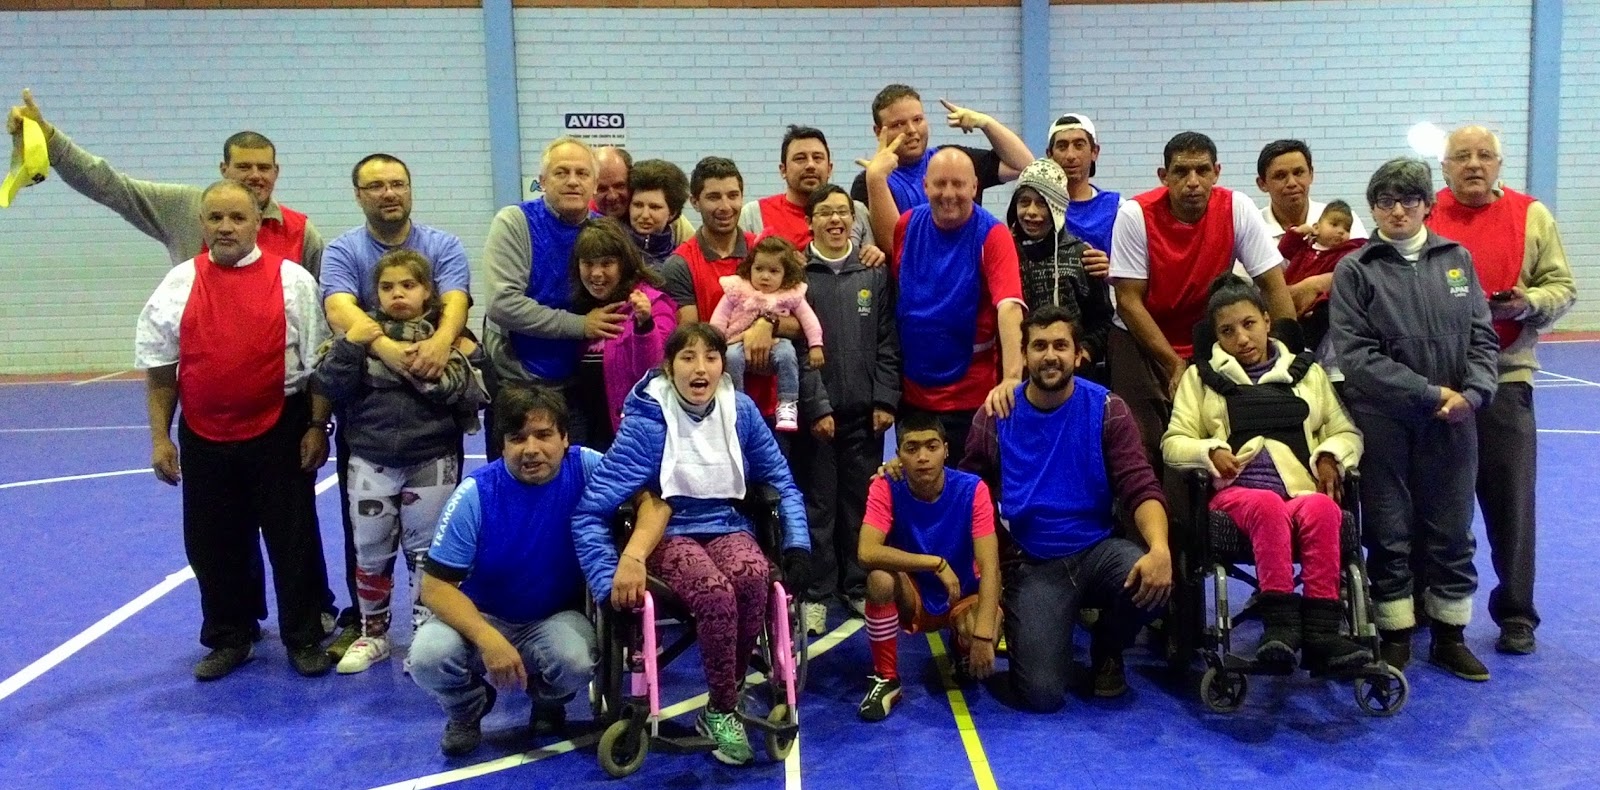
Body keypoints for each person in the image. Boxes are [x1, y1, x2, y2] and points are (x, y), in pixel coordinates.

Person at [571, 323, 811, 766]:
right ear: (668, 367)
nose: (700, 368)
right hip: (669, 530)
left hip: (727, 522)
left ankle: (722, 703)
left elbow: (782, 481)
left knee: (753, 576)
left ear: (723, 366)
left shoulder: (740, 411)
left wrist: (798, 544)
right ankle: (723, 710)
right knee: (714, 591)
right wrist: (607, 584)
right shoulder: (649, 421)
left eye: (711, 358)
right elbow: (589, 512)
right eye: (688, 357)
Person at [135, 180, 334, 681]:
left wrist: (316, 425)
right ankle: (231, 636)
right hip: (203, 433)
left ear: (256, 223)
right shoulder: (179, 283)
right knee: (211, 542)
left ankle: (303, 636)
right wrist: (160, 437)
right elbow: (160, 369)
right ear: (202, 224)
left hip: (281, 428)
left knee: (292, 539)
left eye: (237, 218)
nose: (226, 227)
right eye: (216, 218)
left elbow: (319, 366)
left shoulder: (292, 281)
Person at [1330, 157, 1499, 681]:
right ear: (1373, 208)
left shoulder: (1457, 259)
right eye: (1385, 201)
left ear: (1427, 205)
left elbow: (1482, 336)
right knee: (1389, 528)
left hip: (1454, 418)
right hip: (1384, 420)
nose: (1397, 210)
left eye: (1408, 200)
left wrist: (1474, 393)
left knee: (1452, 529)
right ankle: (1395, 635)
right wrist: (1427, 394)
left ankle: (1450, 636)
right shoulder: (1355, 270)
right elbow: (1357, 357)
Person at [960, 306, 1172, 710]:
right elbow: (966, 492)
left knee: (1154, 580)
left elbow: (1140, 485)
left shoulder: (1107, 409)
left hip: (1098, 552)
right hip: (1032, 562)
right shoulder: (997, 413)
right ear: (1024, 356)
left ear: (1078, 354)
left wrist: (1159, 548)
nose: (1050, 356)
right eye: (1039, 346)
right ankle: (1041, 625)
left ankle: (1108, 645)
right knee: (1041, 695)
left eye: (1060, 345)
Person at [1162, 274, 1370, 672]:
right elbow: (1173, 443)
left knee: (1324, 509)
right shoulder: (1200, 378)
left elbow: (1346, 432)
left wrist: (1331, 456)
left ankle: (1323, 634)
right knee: (1266, 506)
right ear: (1216, 337)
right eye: (1227, 331)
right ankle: (1280, 627)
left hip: (1300, 491)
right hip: (1236, 496)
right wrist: (1209, 450)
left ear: (1267, 321)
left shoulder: (1307, 373)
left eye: (1249, 324)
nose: (1241, 338)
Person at [321, 153, 476, 657]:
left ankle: (427, 637)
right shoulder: (344, 250)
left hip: (432, 450)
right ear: (358, 194)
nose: (388, 192)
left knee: (429, 551)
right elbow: (338, 310)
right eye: (376, 185)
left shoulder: (443, 246)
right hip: (369, 449)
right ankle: (372, 633)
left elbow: (457, 303)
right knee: (369, 548)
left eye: (397, 183)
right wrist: (382, 348)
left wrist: (442, 346)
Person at [1429, 125, 1577, 656]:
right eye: (1462, 156)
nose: (1474, 164)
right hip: (1436, 384)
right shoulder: (1422, 213)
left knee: (1511, 505)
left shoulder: (1532, 215)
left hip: (1506, 380)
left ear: (1498, 163)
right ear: (1445, 167)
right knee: (1431, 502)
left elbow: (1563, 287)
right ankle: (1427, 603)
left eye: (1485, 155)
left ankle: (1516, 613)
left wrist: (1527, 302)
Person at [411, 385, 599, 757]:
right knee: (427, 657)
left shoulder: (587, 466)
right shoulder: (475, 494)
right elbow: (434, 588)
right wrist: (488, 638)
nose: (531, 449)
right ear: (502, 446)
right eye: (517, 438)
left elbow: (646, 496)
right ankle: (468, 708)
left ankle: (547, 701)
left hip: (555, 617)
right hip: (482, 617)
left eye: (544, 435)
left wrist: (634, 555)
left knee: (575, 662)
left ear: (565, 438)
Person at [1108, 131, 1297, 467]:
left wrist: (1290, 355)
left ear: (1216, 172)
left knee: (1215, 427)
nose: (1192, 182)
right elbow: (1128, 301)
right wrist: (1173, 365)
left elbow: (1272, 285)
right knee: (1142, 439)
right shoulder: (1134, 214)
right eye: (1181, 172)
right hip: (1138, 336)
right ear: (1164, 176)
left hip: (1206, 333)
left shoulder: (1237, 208)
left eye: (1202, 170)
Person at [8, 89, 324, 274]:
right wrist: (50, 140)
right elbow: (109, 186)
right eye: (244, 166)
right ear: (224, 169)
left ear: (276, 172)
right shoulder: (182, 208)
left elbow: (321, 304)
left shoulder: (301, 232)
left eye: (263, 168)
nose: (255, 175)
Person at [865, 140, 1025, 463]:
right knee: (917, 483)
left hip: (970, 399)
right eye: (939, 184)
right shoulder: (906, 225)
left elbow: (1009, 306)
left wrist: (1012, 378)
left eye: (958, 184)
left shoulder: (993, 234)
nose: (948, 194)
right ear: (925, 185)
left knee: (967, 485)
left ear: (975, 187)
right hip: (912, 395)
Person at [795, 184, 901, 633]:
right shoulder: (797, 276)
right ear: (811, 222)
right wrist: (816, 407)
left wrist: (885, 398)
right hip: (817, 417)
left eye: (842, 212)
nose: (835, 220)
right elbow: (798, 351)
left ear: (854, 221)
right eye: (825, 213)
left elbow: (887, 341)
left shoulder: (873, 274)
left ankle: (857, 585)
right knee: (819, 508)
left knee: (860, 503)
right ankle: (816, 593)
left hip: (864, 416)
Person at [856, 412, 1000, 722]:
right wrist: (935, 564)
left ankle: (962, 647)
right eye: (912, 448)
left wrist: (983, 636)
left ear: (946, 450)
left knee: (983, 630)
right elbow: (866, 552)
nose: (922, 457)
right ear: (898, 455)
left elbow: (990, 567)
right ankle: (886, 678)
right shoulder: (885, 486)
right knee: (879, 579)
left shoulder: (973, 489)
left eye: (931, 446)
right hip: (916, 596)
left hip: (963, 595)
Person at [484, 136, 625, 452]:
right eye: (562, 172)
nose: (573, 181)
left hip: (579, 388)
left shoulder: (605, 230)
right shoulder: (515, 222)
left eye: (582, 173)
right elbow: (502, 304)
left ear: (594, 185)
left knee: (575, 475)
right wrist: (581, 325)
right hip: (518, 383)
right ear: (543, 181)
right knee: (517, 473)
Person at [659, 157, 792, 419]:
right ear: (694, 201)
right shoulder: (680, 264)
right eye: (713, 197)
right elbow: (691, 342)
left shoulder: (767, 251)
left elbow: (801, 323)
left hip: (772, 406)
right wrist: (745, 339)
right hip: (712, 409)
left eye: (733, 195)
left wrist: (767, 323)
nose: (725, 206)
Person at [568, 218, 678, 450]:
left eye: (607, 263)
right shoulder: (580, 310)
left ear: (624, 264)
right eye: (588, 263)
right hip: (588, 438)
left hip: (633, 440)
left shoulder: (654, 304)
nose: (596, 273)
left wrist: (645, 325)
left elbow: (655, 373)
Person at [1005, 158, 1113, 383]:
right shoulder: (1003, 253)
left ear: (1056, 208)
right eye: (1024, 202)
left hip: (1072, 376)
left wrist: (1084, 354)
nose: (1031, 212)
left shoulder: (1081, 255)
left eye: (1041, 203)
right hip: (1015, 375)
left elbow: (1103, 321)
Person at [850, 84, 1033, 212]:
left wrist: (986, 123)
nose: (912, 130)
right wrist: (876, 178)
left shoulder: (954, 161)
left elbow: (1025, 166)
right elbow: (892, 244)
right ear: (878, 132)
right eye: (899, 124)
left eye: (917, 120)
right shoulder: (867, 183)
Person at [709, 236, 825, 432]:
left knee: (787, 354)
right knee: (731, 357)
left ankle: (787, 402)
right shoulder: (738, 289)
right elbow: (719, 318)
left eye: (773, 271)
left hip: (777, 342)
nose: (765, 276)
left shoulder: (789, 294)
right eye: (759, 269)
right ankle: (735, 401)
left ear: (785, 274)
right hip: (737, 340)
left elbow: (809, 319)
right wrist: (715, 346)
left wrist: (816, 345)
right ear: (750, 268)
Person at [739, 125, 875, 254]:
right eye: (800, 158)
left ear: (829, 169)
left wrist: (874, 255)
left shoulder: (857, 211)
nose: (810, 165)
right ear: (783, 170)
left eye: (817, 158)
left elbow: (871, 261)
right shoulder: (753, 214)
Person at [1277, 200, 1366, 352]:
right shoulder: (1304, 248)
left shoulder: (1343, 254)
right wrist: (1296, 232)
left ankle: (1308, 349)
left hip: (1317, 307)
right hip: (1291, 303)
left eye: (1346, 229)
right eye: (1334, 224)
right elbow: (1284, 250)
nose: (1341, 231)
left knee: (1324, 315)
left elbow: (1353, 269)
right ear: (1317, 227)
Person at [1044, 113, 1120, 259]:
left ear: (1094, 152)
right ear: (1050, 155)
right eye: (1062, 146)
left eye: (1079, 145)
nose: (1070, 155)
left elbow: (1131, 267)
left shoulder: (1117, 208)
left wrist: (1110, 269)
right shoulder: (1035, 207)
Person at [626, 158, 694, 266]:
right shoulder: (612, 250)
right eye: (638, 205)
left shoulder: (684, 260)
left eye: (654, 207)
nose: (645, 215)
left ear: (672, 213)